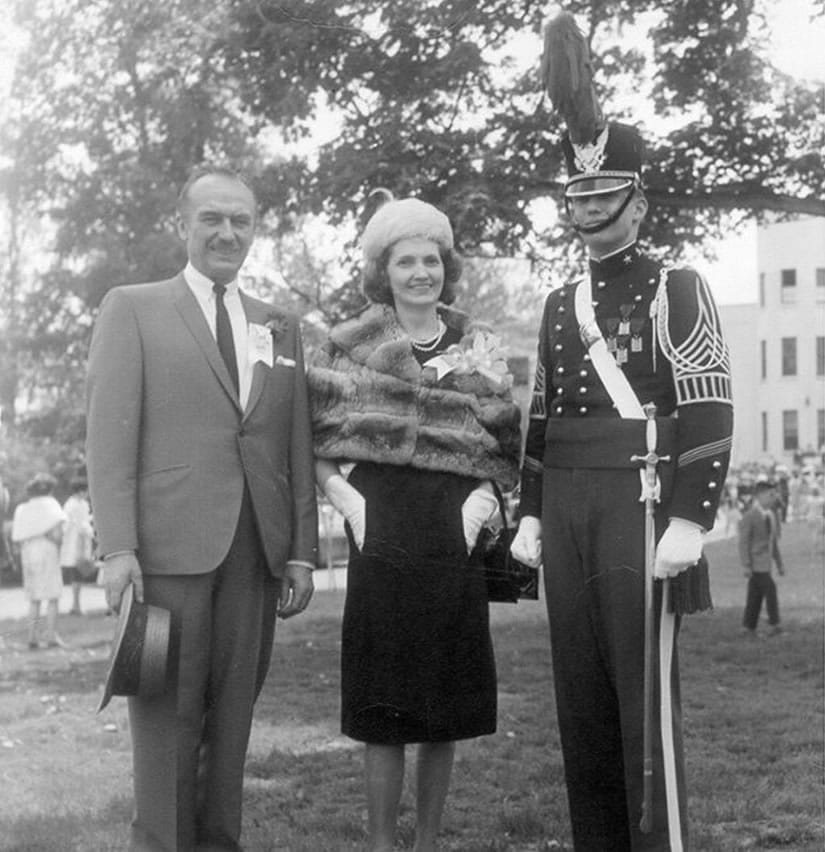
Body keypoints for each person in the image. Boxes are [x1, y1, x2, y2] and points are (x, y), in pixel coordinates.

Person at [510, 109, 734, 850]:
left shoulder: (678, 286)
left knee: (643, 698)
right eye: (579, 195)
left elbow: (709, 404)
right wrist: (531, 510)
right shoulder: (558, 303)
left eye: (605, 194)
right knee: (579, 695)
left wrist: (690, 518)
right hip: (567, 499)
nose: (590, 208)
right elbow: (541, 415)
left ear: (637, 203)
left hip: (639, 500)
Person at [86, 164, 318, 852]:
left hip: (256, 553)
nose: (226, 232)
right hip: (166, 552)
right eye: (211, 218)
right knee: (166, 720)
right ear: (182, 225)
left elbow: (294, 441)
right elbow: (108, 437)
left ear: (255, 230)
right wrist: (117, 548)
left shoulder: (279, 324)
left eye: (240, 220)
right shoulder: (133, 307)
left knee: (232, 722)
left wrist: (301, 551)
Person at [308, 194, 522, 852]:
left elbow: (504, 438)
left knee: (443, 703)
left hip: (452, 528)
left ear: (445, 268)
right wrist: (348, 502)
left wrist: (480, 504)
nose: (420, 273)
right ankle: (381, 844)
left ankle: (428, 841)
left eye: (431, 260)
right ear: (383, 270)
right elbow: (313, 438)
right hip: (380, 523)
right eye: (405, 261)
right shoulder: (348, 344)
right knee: (382, 703)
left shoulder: (477, 343)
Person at [10, 473, 67, 649]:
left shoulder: (22, 508)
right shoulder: (52, 505)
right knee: (52, 596)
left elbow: (17, 537)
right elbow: (58, 535)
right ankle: (51, 636)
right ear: (49, 489)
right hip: (47, 550)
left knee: (34, 598)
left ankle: (32, 637)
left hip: (28, 551)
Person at [740, 480, 785, 636]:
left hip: (766, 563)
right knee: (770, 590)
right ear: (759, 496)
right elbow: (744, 542)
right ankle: (775, 624)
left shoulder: (771, 515)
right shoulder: (750, 516)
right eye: (770, 495)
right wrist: (746, 564)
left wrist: (779, 563)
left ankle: (748, 627)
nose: (773, 498)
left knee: (755, 595)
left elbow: (773, 541)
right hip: (756, 563)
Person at [59, 476, 95, 615]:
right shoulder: (73, 505)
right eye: (86, 490)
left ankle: (76, 605)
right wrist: (92, 533)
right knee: (77, 573)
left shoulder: (82, 504)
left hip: (80, 541)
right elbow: (80, 525)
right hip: (76, 542)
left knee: (78, 574)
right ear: (80, 491)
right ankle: (76, 606)